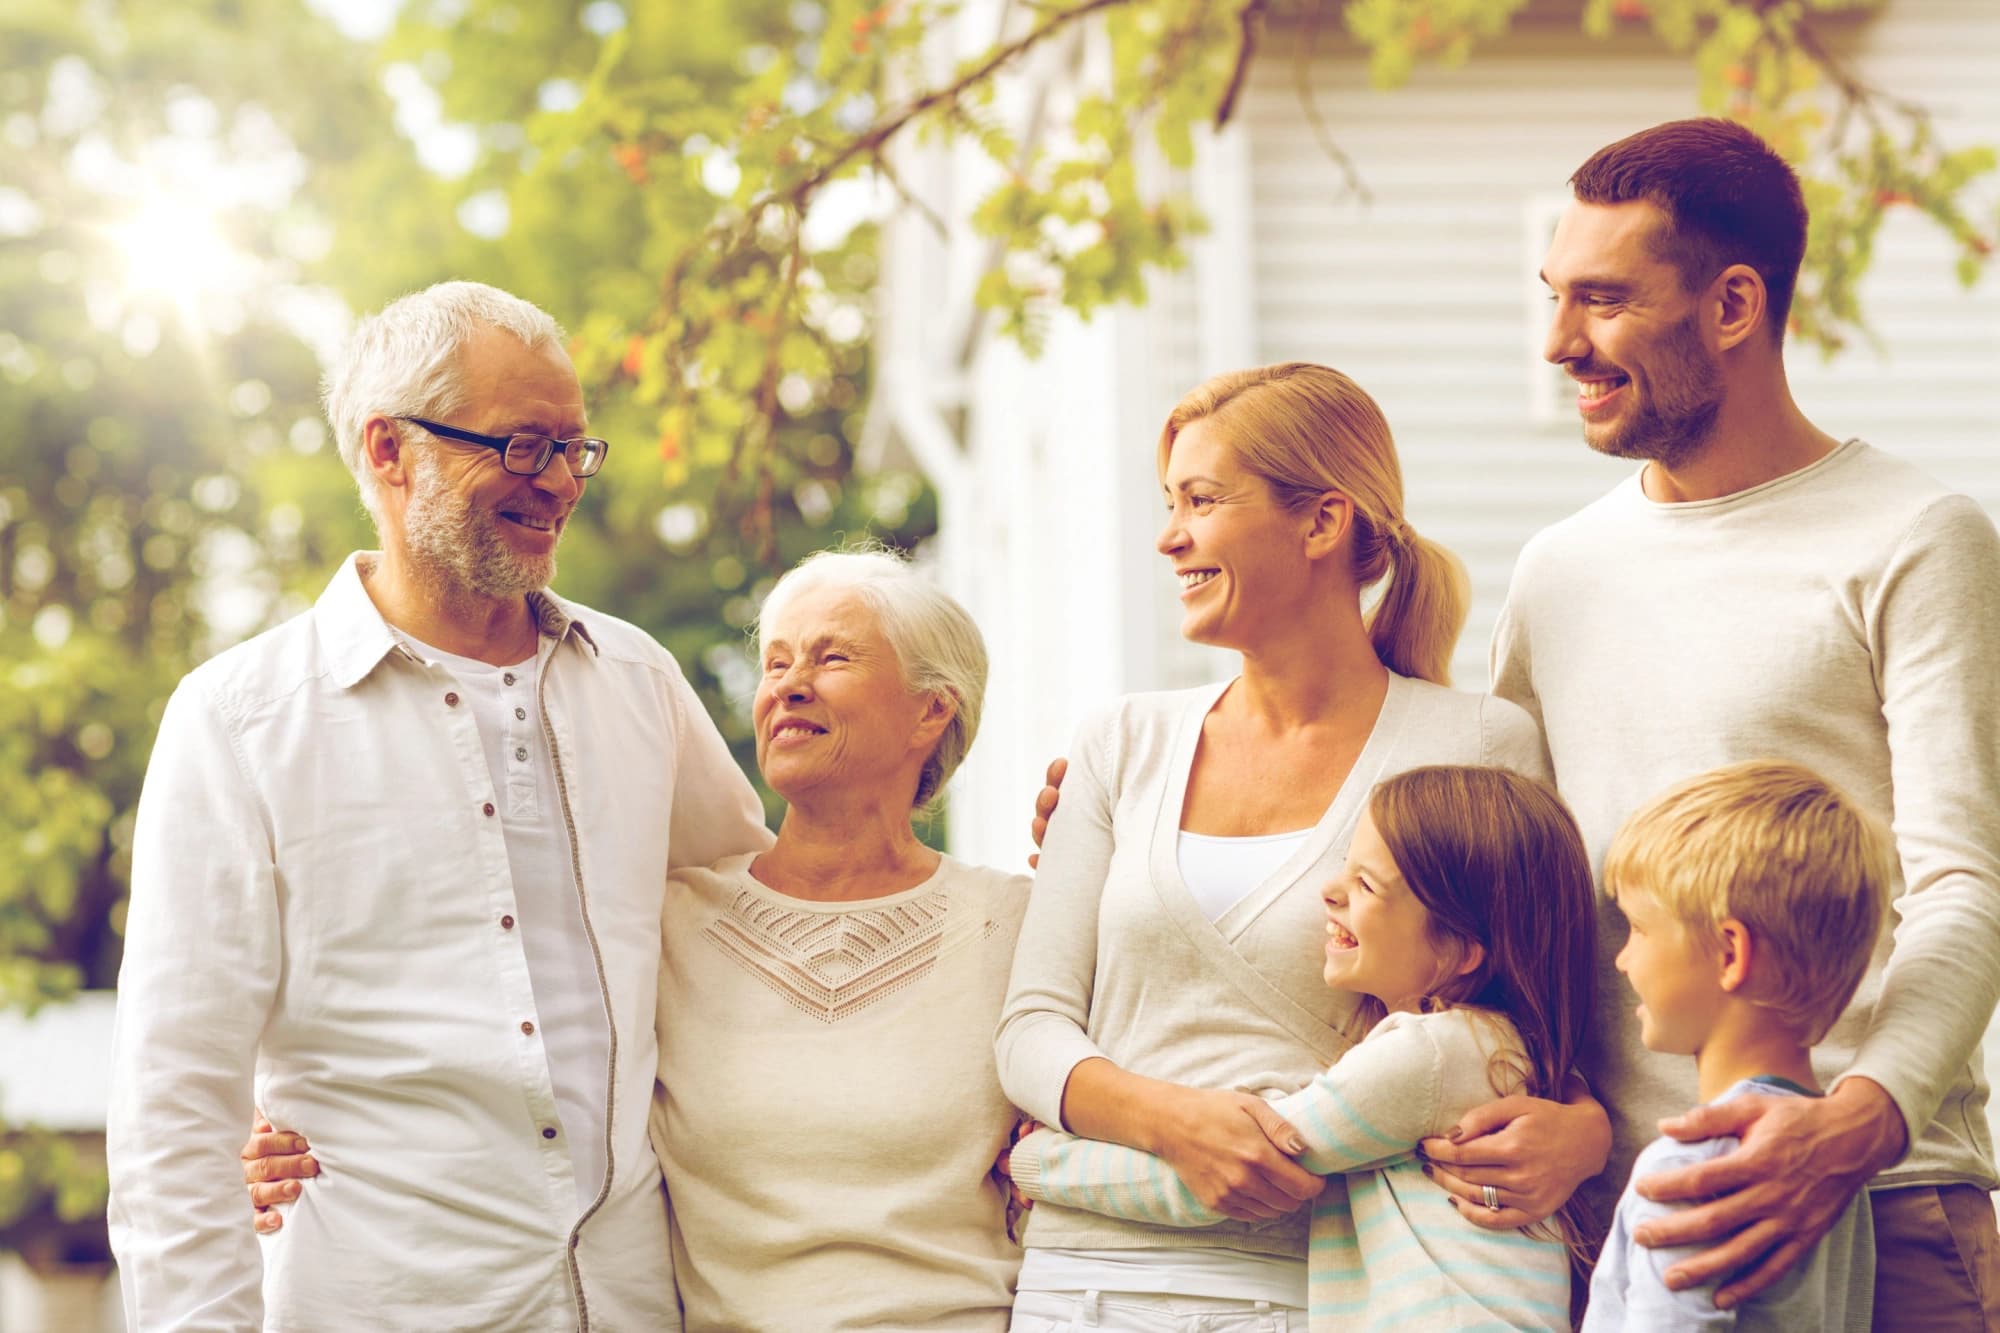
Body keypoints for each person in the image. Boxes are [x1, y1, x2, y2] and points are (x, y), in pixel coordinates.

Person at [106, 281, 772, 1329]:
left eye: (573, 449)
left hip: (638, 1304)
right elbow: (174, 1102)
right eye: (519, 446)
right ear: (387, 450)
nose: (556, 482)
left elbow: (762, 927)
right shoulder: (238, 721)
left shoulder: (636, 681)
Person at [245, 548, 1031, 1330]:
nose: (789, 684)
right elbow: (487, 1046)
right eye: (777, 662)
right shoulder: (667, 923)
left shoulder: (1015, 924)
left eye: (833, 658)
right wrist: (294, 1127)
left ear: (933, 710)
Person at [1494, 117, 2000, 1325]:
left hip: (1882, 1200)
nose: (1561, 342)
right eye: (1554, 297)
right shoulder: (1556, 570)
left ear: (1731, 304)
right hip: (1635, 1213)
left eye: (1604, 301)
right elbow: (1504, 877)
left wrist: (1852, 1123)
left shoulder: (1914, 540)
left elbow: (1963, 882)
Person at [996, 363, 1608, 1331]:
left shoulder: (1479, 745)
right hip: (1083, 1280)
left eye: (1200, 501)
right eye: (1169, 503)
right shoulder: (1121, 742)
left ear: (1320, 523)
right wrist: (1174, 1123)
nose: (1168, 536)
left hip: (1316, 1287)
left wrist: (1585, 1131)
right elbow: (1029, 1030)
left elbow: (1535, 1015)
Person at [1008, 766, 1597, 1330]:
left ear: (1462, 950)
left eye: (1365, 884)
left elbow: (1238, 1165)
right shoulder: (1497, 1050)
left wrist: (1038, 1165)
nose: (1330, 890)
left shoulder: (1424, 1057)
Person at [1583, 761, 1887, 1331]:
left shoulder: (1693, 1167)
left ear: (1729, 953)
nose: (1622, 958)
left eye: (1639, 929)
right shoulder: (1835, 1177)